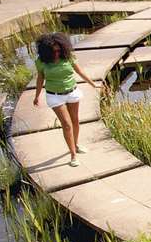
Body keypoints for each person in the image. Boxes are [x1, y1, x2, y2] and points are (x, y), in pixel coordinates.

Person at [31, 32, 102, 167]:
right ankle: (73, 155)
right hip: (54, 96)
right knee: (67, 124)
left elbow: (80, 71)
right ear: (46, 51)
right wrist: (37, 96)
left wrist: (93, 84)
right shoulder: (41, 62)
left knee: (75, 121)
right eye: (53, 51)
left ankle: (75, 144)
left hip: (72, 93)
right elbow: (40, 78)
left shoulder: (68, 57)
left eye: (58, 50)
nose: (56, 53)